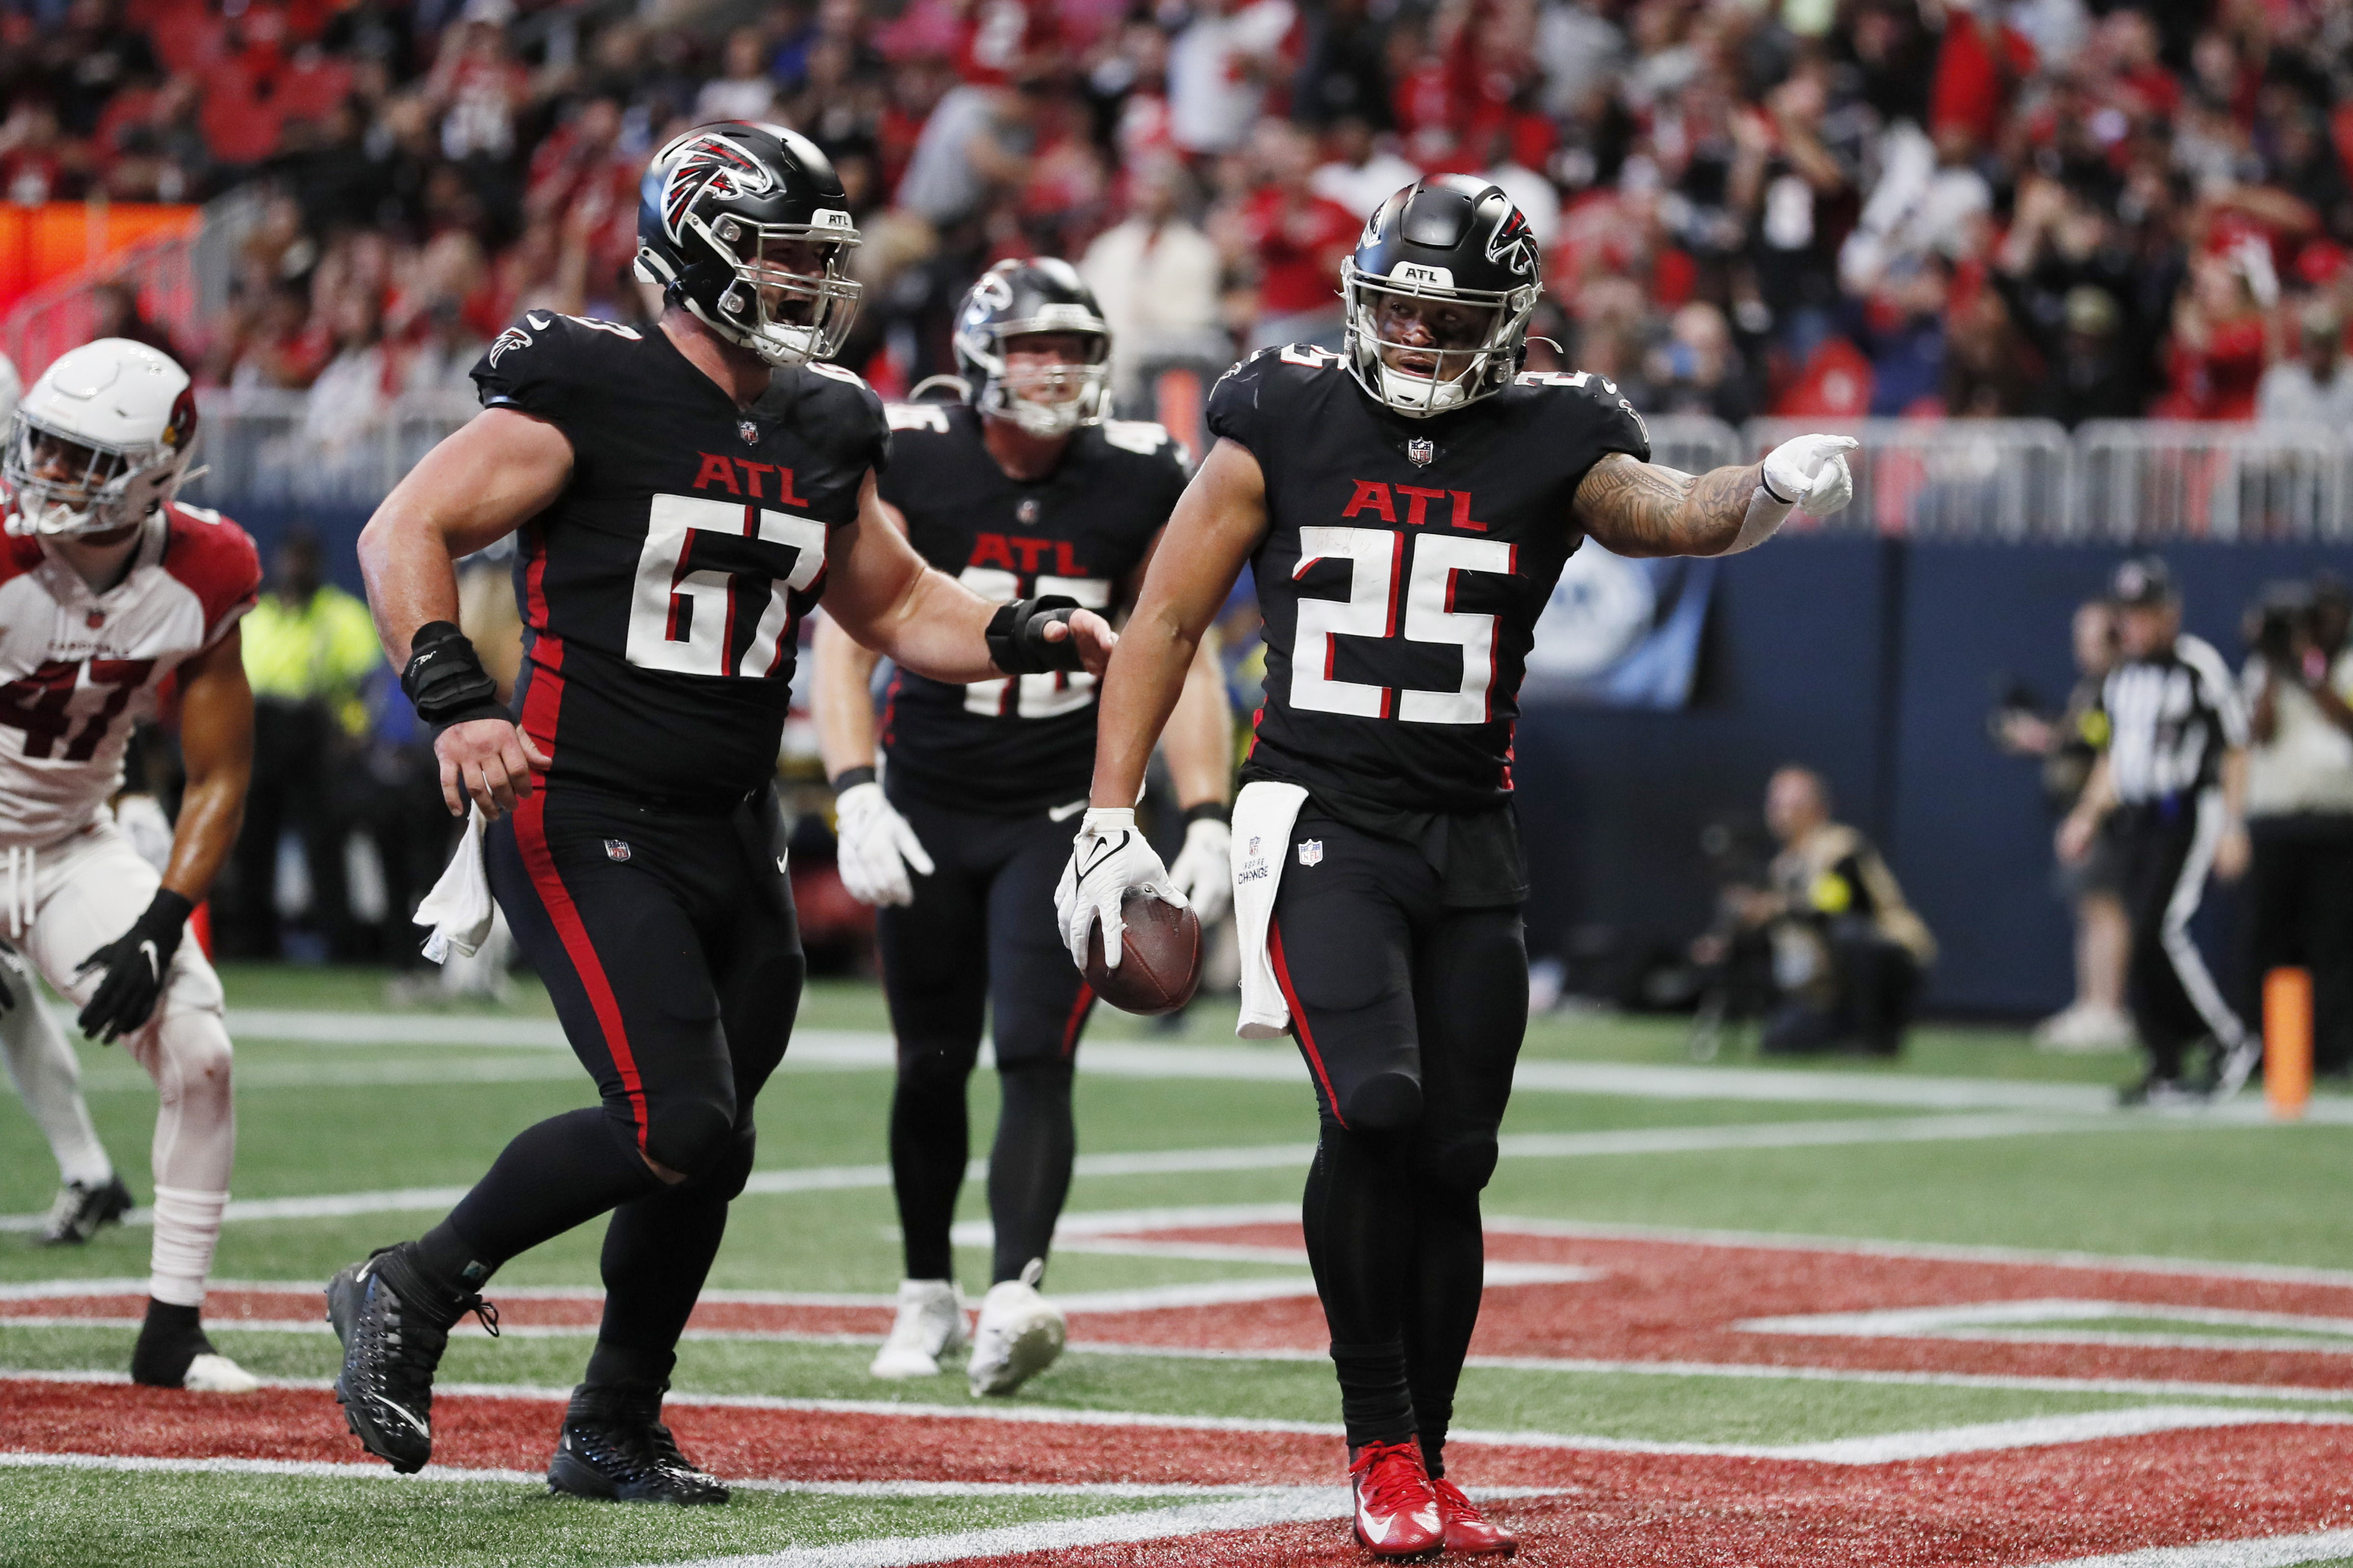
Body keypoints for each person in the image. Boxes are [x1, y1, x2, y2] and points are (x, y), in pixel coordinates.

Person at [1055, 175, 1857, 1559]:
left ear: (1510, 325)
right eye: (1403, 310)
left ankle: (1427, 1454)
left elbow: (1675, 509)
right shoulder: (1281, 412)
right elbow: (1169, 614)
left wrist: (1769, 491)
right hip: (1319, 817)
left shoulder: (1559, 432)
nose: (1420, 340)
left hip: (1470, 833)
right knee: (1374, 1105)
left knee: (1458, 1153)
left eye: (1451, 318)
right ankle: (1376, 1445)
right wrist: (1108, 813)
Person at [328, 122, 1117, 1504]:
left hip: (729, 826)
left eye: (821, 259)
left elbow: (901, 604)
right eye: (777, 253)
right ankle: (411, 1280)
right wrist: (456, 697)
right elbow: (406, 528)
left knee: (712, 1144)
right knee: (669, 1113)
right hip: (580, 804)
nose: (807, 283)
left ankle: (612, 1422)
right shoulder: (589, 381)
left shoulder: (824, 420)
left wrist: (1028, 631)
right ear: (696, 243)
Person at [812, 260, 1232, 1398]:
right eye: (1035, 346)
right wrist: (855, 785)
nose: (1055, 368)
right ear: (984, 351)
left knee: (1037, 1050)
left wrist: (1203, 811)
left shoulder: (1141, 473)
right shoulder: (915, 451)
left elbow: (1175, 649)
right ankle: (922, 1287)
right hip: (933, 795)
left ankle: (1014, 1290)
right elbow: (849, 636)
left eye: (1072, 348)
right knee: (929, 1060)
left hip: (1061, 807)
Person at [0, 337, 263, 1392]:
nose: (48, 477)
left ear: (157, 470)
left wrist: (159, 925)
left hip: (70, 842)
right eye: (45, 451)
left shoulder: (210, 569)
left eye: (83, 460)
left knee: (201, 1052)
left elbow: (221, 775)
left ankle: (172, 1329)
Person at [2058, 556, 2256, 1106]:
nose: (2137, 625)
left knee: (2157, 931)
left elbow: (2234, 748)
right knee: (2134, 936)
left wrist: (2233, 825)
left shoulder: (2198, 666)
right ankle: (2163, 1060)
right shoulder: (2120, 678)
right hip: (2136, 819)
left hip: (2186, 812)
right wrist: (2085, 815)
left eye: (2146, 613)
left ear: (2169, 614)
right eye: (2128, 614)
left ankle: (2228, 1039)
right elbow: (2112, 760)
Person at [224, 526, 383, 960]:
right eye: (291, 559)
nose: (296, 569)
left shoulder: (341, 616)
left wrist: (355, 734)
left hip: (317, 736)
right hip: (262, 733)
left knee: (324, 846)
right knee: (254, 841)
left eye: (305, 559)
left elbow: (368, 685)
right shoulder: (258, 616)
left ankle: (339, 943)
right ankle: (252, 942)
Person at [1996, 599, 2133, 1050]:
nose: (2081, 646)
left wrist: (2086, 815)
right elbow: (2077, 738)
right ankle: (2092, 1001)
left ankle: (2108, 1008)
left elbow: (2110, 755)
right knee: (2088, 908)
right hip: (2080, 811)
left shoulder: (2121, 687)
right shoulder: (2093, 688)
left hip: (2105, 817)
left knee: (2103, 908)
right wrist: (2042, 738)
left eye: (2090, 636)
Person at [2239, 577, 2353, 1077]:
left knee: (2331, 943)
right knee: (2268, 941)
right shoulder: (2263, 668)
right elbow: (2257, 731)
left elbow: (2346, 720)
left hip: (2334, 822)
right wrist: (2271, 662)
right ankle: (2265, 1046)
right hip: (2275, 823)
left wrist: (2309, 671)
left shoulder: (2343, 666)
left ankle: (2330, 1050)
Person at [1745, 766, 1936, 1056]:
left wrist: (1778, 908)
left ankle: (1875, 1038)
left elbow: (1837, 907)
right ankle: (1844, 1032)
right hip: (1830, 984)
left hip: (1888, 959)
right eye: (1775, 804)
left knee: (1849, 933)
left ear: (1818, 809)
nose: (1781, 813)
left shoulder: (1840, 846)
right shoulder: (1782, 866)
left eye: (1793, 804)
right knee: (1780, 1041)